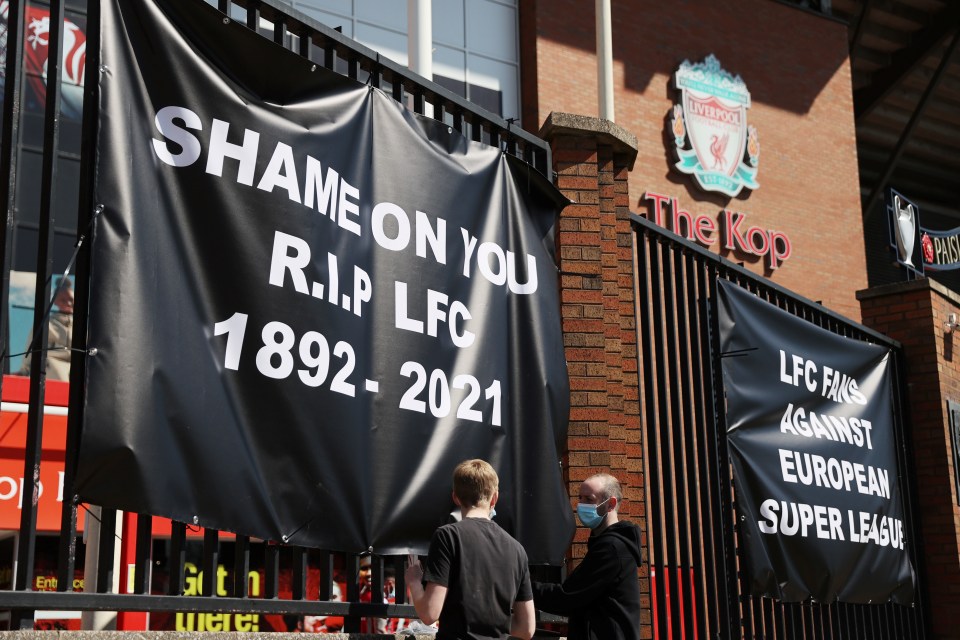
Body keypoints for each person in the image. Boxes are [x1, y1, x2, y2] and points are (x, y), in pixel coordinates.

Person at [404, 458, 535, 640]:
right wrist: (496, 621)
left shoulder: (447, 536)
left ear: (455, 497)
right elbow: (527, 628)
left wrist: (414, 581)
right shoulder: (517, 549)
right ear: (494, 498)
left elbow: (429, 614)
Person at [532, 473, 642, 640]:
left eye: (589, 499)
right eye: (580, 498)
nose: (580, 505)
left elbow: (567, 597)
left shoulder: (612, 548)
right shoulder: (607, 545)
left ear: (610, 504)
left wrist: (523, 588)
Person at [18, 277, 74, 381]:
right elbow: (32, 349)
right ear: (55, 302)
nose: (69, 304)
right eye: (63, 300)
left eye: (71, 299)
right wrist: (24, 370)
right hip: (53, 365)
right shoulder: (46, 324)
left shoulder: (84, 327)